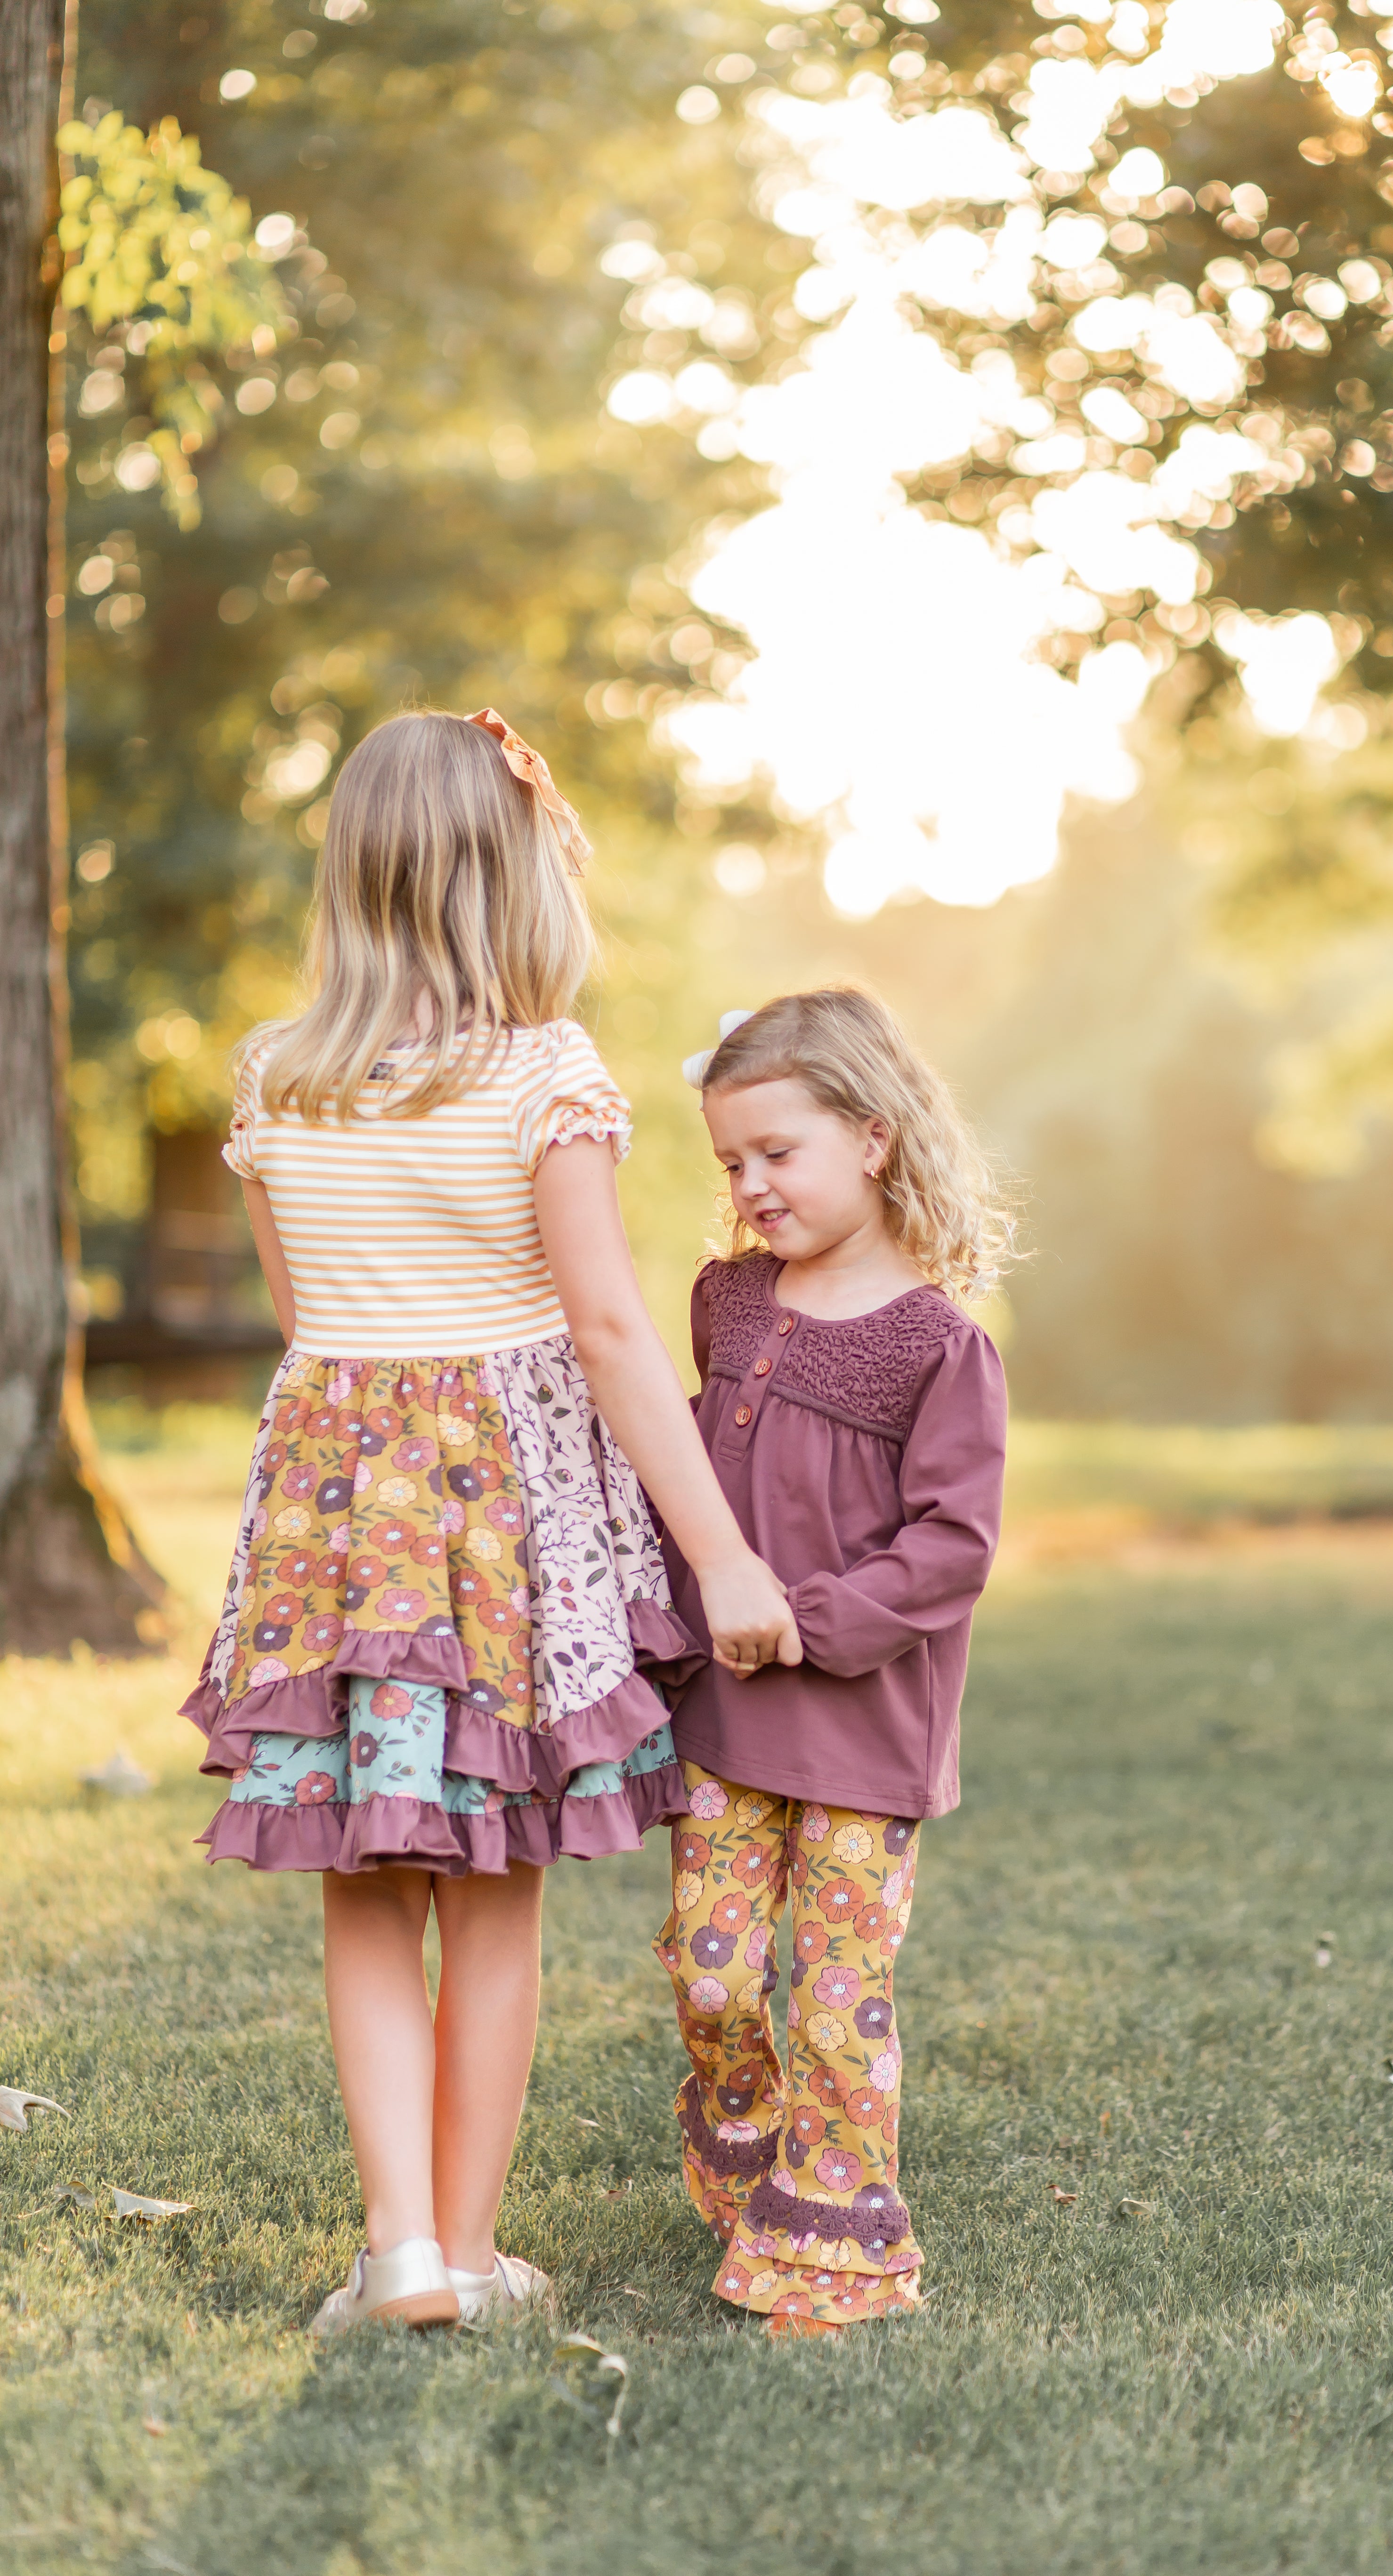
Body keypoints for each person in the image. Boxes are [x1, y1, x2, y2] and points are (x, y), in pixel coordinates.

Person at [183, 708, 799, 2338]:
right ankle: (468, 2249)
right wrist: (722, 1553)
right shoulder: (545, 1071)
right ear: (511, 870)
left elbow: (304, 1317)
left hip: (331, 1517)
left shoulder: (272, 1076)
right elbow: (604, 1331)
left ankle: (394, 2251)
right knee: (495, 1881)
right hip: (502, 1524)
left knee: (368, 1883)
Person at [656, 989, 1012, 2334]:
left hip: (864, 1730)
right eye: (730, 1161)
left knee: (840, 1994)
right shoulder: (729, 1305)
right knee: (712, 1968)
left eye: (777, 1154)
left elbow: (953, 1548)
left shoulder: (939, 1345)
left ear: (871, 1139)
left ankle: (833, 2234)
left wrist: (811, 1618)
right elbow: (691, 1469)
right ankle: (743, 2140)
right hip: (727, 1715)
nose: (750, 1185)